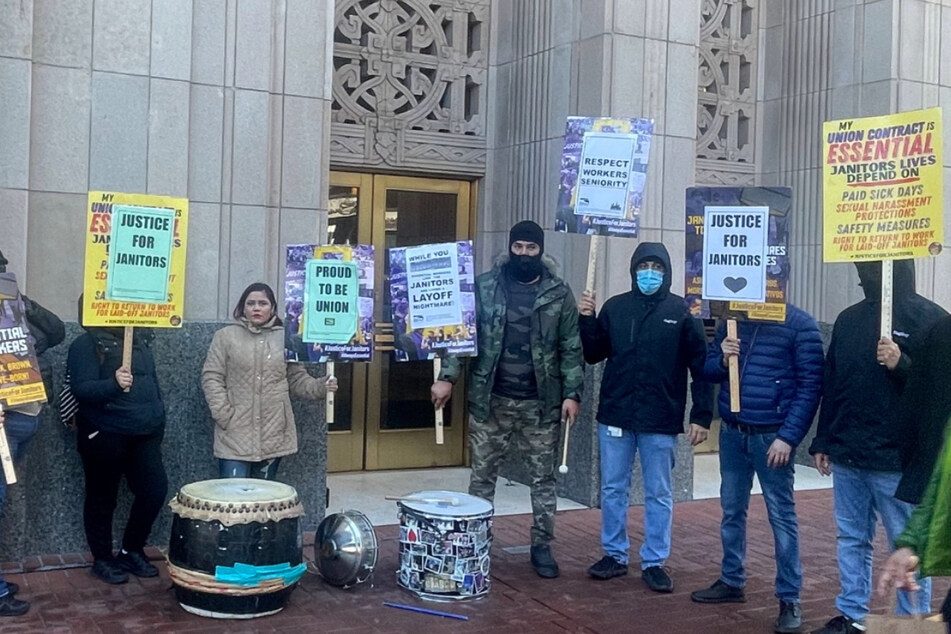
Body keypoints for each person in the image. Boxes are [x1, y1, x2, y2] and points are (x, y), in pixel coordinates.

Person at [431, 220, 583, 578]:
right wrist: (447, 377)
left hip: (540, 404)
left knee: (544, 481)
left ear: (541, 251)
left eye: (532, 248)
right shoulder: (484, 287)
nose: (525, 255)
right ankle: (477, 542)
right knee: (482, 478)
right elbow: (462, 335)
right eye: (519, 248)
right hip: (491, 400)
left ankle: (542, 546)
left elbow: (571, 347)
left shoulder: (559, 293)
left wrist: (572, 393)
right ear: (510, 248)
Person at [810, 260, 947, 634]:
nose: (867, 270)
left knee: (906, 548)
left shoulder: (932, 319)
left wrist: (902, 363)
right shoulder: (849, 319)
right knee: (852, 538)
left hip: (897, 462)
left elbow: (938, 394)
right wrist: (823, 440)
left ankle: (909, 622)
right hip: (850, 454)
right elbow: (833, 383)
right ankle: (851, 613)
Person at [577, 242, 712, 592]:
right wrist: (586, 319)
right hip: (617, 415)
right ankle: (614, 554)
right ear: (634, 269)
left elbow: (701, 366)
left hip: (660, 417)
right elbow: (593, 354)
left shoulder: (682, 312)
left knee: (658, 492)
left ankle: (654, 560)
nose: (649, 273)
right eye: (643, 266)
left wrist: (701, 415)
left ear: (666, 271)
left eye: (656, 267)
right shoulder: (615, 308)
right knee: (612, 488)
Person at [690, 304, 824, 634]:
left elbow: (810, 386)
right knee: (731, 510)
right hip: (734, 434)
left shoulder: (800, 324)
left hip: (772, 438)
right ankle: (731, 579)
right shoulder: (731, 321)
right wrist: (722, 357)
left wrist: (788, 437)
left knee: (781, 517)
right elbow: (708, 371)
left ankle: (789, 598)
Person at [67, 296, 167, 585]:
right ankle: (102, 559)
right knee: (102, 499)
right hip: (105, 432)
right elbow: (82, 390)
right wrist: (113, 384)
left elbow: (152, 382)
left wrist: (158, 415)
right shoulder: (85, 345)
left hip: (145, 432)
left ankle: (130, 549)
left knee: (154, 491)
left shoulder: (140, 340)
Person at [201, 282, 337, 480]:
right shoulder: (225, 337)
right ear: (243, 307)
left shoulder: (286, 338)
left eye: (262, 303)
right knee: (233, 501)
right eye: (251, 303)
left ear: (272, 308)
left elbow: (297, 379)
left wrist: (321, 386)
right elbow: (211, 376)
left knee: (264, 502)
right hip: (234, 433)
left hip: (273, 432)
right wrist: (223, 413)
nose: (256, 308)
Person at [0, 251, 65, 616]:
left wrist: (24, 304)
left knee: (4, 503)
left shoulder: (15, 309)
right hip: (3, 425)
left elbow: (56, 331)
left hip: (26, 416)